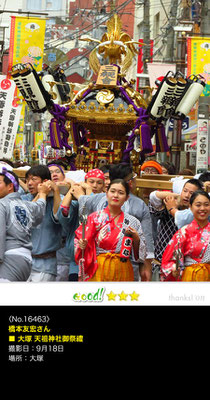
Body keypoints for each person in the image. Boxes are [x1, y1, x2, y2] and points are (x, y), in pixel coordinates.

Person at [74, 163, 154, 281]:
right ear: (107, 192)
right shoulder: (94, 217)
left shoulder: (133, 221)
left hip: (124, 264)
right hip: (98, 265)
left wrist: (136, 239)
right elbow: (81, 236)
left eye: (121, 193)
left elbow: (144, 244)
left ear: (126, 197)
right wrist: (82, 245)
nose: (116, 196)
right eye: (112, 191)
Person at [0, 167, 50, 281]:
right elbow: (40, 208)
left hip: (8, 258)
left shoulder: (2, 204)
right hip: (25, 260)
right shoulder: (27, 205)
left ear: (10, 186)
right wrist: (42, 194)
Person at [149, 178, 203, 280]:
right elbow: (153, 197)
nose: (187, 195)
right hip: (160, 265)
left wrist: (173, 208)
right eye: (185, 191)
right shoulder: (169, 206)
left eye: (192, 193)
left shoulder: (195, 214)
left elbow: (181, 220)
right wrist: (176, 196)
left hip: (185, 269)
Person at [21, 165, 63, 282]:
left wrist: (55, 191)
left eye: (34, 179)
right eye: (27, 180)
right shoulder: (24, 198)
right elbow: (25, 216)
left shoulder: (57, 198)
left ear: (45, 181)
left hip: (45, 265)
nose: (29, 183)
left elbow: (58, 216)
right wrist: (41, 195)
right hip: (23, 262)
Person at [161, 190, 210, 281]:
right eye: (198, 205)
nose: (202, 208)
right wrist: (173, 268)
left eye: (206, 204)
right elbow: (168, 260)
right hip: (189, 277)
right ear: (190, 207)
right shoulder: (183, 232)